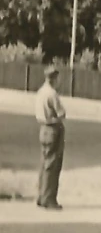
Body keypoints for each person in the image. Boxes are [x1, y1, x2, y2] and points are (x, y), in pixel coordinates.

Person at [33, 65, 66, 210]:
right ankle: (49, 199)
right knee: (52, 165)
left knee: (44, 163)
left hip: (43, 129)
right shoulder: (52, 94)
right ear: (53, 78)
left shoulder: (41, 92)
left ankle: (41, 195)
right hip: (53, 128)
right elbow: (61, 113)